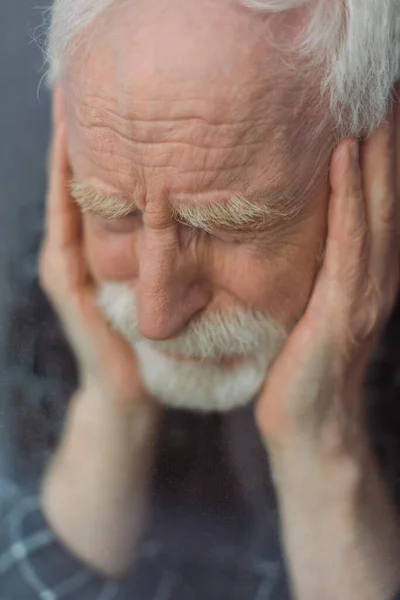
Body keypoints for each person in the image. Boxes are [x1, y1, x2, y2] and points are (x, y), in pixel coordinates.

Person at [1, 0, 400, 598]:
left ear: (378, 164)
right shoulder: (36, 272)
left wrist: (323, 443)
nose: (155, 318)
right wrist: (111, 404)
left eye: (228, 228)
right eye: (114, 215)